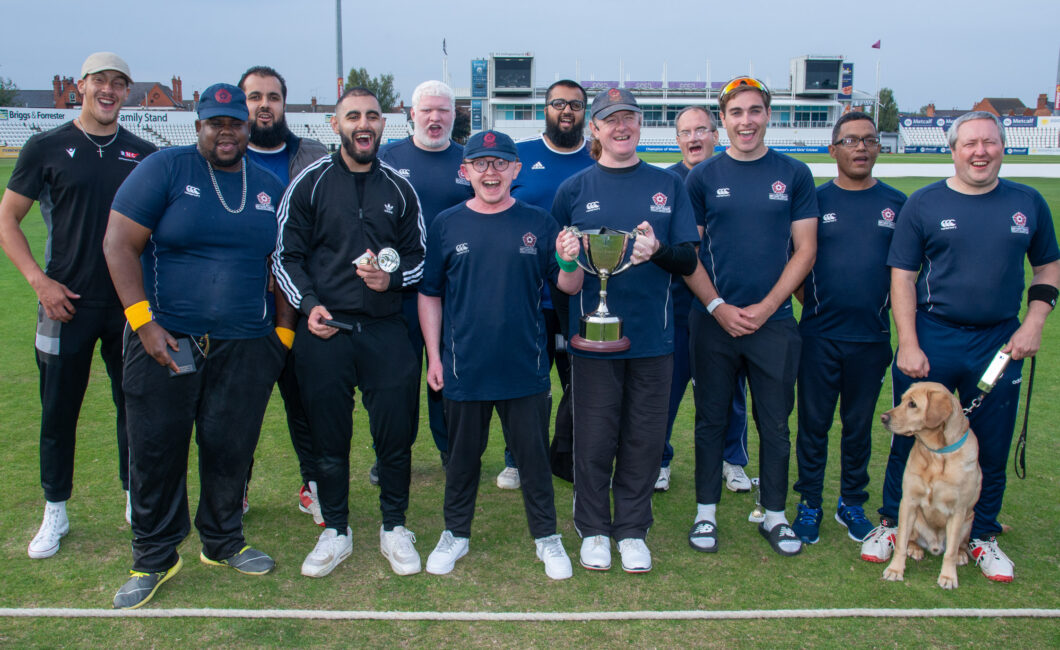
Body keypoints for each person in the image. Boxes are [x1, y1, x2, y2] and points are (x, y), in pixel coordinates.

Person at [104, 83, 287, 609]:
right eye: (215, 123)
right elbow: (118, 244)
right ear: (199, 125)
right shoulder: (165, 168)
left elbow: (283, 266)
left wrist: (280, 337)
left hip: (244, 344)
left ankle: (223, 541)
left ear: (248, 126)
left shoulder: (269, 184)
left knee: (230, 446)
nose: (225, 132)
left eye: (234, 123)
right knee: (157, 448)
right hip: (167, 339)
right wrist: (143, 325)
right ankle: (154, 557)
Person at [861, 111, 1060, 582]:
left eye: (989, 142)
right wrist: (907, 341)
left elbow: (1048, 269)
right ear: (953, 149)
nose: (980, 152)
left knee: (989, 441)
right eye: (970, 143)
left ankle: (983, 534)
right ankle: (893, 524)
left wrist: (1034, 323)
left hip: (998, 340)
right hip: (933, 335)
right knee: (907, 430)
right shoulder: (925, 204)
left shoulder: (1027, 203)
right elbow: (903, 277)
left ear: (1002, 147)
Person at [0, 52, 157, 560]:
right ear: (81, 87)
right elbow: (8, 221)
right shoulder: (47, 146)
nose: (108, 91)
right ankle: (56, 510)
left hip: (128, 307)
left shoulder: (145, 153)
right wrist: (39, 282)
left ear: (127, 93)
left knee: (133, 406)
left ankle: (135, 499)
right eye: (99, 82)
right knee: (57, 411)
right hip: (63, 304)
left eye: (118, 83)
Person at [273, 87, 426, 578]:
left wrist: (393, 278)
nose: (364, 124)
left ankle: (394, 526)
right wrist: (310, 306)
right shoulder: (309, 183)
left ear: (386, 125)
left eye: (373, 116)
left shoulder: (400, 189)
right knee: (328, 439)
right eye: (353, 116)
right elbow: (285, 257)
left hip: (386, 331)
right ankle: (336, 529)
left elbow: (421, 257)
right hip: (326, 332)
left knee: (395, 437)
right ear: (335, 126)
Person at [418, 130, 582, 579]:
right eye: (481, 163)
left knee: (532, 460)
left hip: (525, 366)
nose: (490, 172)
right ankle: (455, 534)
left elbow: (568, 286)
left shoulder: (539, 222)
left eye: (500, 163)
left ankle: (546, 538)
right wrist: (434, 356)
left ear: (516, 169)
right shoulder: (447, 223)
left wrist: (571, 260)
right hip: (464, 366)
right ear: (465, 171)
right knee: (462, 461)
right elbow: (430, 294)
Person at [553, 88, 700, 573]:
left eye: (629, 119)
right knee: (593, 439)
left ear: (640, 125)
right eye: (610, 120)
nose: (621, 127)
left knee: (644, 438)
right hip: (594, 341)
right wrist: (566, 255)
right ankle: (594, 528)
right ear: (594, 129)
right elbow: (563, 275)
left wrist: (655, 250)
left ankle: (633, 529)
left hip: (653, 339)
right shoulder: (574, 189)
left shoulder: (667, 186)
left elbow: (686, 258)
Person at [684, 77, 818, 557]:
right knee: (711, 420)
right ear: (724, 120)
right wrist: (717, 306)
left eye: (755, 111)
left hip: (774, 323)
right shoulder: (701, 178)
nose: (746, 121)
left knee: (775, 423)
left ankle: (776, 516)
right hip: (714, 322)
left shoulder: (795, 174)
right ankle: (705, 513)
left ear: (768, 115)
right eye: (736, 112)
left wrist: (766, 307)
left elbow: (805, 251)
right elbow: (690, 253)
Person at [789, 112, 907, 545]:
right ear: (832, 148)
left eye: (870, 140)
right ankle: (810, 504)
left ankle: (851, 503)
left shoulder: (898, 205)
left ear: (879, 148)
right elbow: (796, 268)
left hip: (872, 340)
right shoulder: (813, 202)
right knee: (813, 425)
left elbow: (906, 275)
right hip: (818, 337)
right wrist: (819, 308)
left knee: (858, 427)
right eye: (851, 140)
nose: (861, 147)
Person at [237, 65, 329, 524]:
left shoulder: (313, 154)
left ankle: (313, 484)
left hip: (299, 300)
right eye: (255, 97)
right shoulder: (227, 155)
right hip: (245, 304)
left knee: (304, 400)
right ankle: (237, 488)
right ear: (243, 103)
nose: (264, 105)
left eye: (272, 96)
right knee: (239, 403)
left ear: (285, 102)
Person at [496, 79, 594, 489]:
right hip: (526, 296)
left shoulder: (598, 155)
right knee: (525, 378)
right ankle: (515, 457)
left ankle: (574, 454)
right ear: (546, 110)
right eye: (558, 103)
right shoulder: (522, 155)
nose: (567, 111)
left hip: (581, 293)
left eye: (575, 104)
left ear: (584, 112)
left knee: (581, 382)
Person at [379, 80, 473, 472]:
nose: (435, 118)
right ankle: (391, 457)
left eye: (444, 111)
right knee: (395, 381)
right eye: (427, 110)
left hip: (451, 292)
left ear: (454, 116)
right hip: (397, 291)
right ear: (412, 115)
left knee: (446, 374)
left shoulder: (469, 161)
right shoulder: (385, 158)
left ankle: (451, 449)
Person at [660, 106, 751, 494]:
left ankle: (733, 460)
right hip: (676, 309)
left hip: (724, 309)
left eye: (702, 130)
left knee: (729, 393)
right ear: (677, 139)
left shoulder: (735, 177)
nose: (694, 138)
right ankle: (658, 460)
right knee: (665, 391)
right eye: (685, 132)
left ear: (716, 134)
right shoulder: (662, 182)